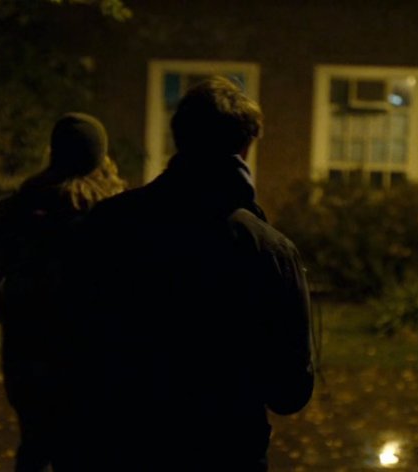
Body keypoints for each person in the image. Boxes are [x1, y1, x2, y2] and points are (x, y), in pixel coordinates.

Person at [54, 76, 314, 471]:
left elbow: (67, 337)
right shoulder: (268, 250)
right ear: (245, 147)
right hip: (224, 452)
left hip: (119, 446)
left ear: (179, 138)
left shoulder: (107, 224)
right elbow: (290, 390)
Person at [0, 112, 126, 472]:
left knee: (36, 445)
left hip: (30, 354)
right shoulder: (113, 214)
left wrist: (8, 309)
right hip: (91, 357)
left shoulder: (23, 206)